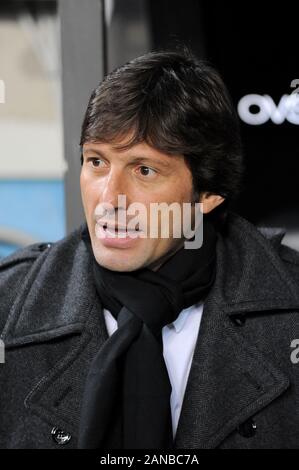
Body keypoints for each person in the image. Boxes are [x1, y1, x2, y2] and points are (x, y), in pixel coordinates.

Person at [1, 49, 299, 450]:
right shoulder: (7, 305)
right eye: (97, 162)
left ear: (208, 194)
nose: (110, 198)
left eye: (144, 170)